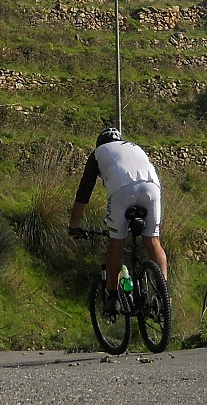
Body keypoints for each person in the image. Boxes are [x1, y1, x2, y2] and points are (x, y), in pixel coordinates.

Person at [69, 127, 168, 317]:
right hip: (152, 188)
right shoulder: (134, 147)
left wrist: (73, 227)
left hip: (122, 190)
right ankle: (164, 296)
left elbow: (83, 194)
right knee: (153, 241)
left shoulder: (98, 153)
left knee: (116, 244)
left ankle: (113, 297)